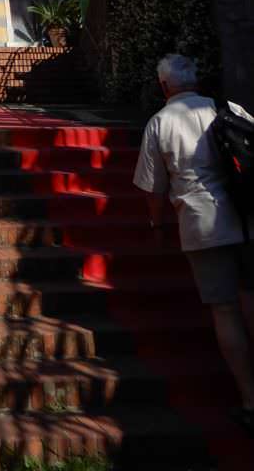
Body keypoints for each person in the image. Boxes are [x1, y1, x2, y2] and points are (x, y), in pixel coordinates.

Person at [133, 52, 254, 434]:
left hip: (202, 223)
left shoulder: (160, 122)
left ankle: (250, 400)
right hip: (247, 216)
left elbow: (153, 188)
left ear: (163, 85)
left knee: (225, 310)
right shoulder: (226, 108)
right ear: (195, 79)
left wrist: (157, 225)